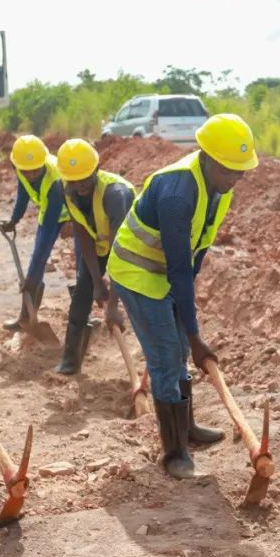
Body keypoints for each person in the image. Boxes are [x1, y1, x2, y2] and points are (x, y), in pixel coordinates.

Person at [107, 113, 256, 479]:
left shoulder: (218, 188)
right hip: (138, 275)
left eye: (241, 171)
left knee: (181, 354)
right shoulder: (177, 194)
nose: (236, 178)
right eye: (230, 169)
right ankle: (174, 453)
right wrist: (194, 333)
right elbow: (177, 269)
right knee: (165, 357)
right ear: (207, 157)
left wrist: (188, 325)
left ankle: (186, 429)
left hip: (167, 272)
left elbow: (197, 250)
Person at [54, 139, 135, 375]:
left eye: (85, 178)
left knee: (141, 302)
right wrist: (97, 283)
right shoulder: (66, 189)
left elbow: (121, 252)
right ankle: (70, 359)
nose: (79, 184)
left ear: (96, 169)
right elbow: (83, 235)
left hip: (135, 252)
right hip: (99, 247)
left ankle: (159, 362)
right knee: (82, 295)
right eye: (73, 180)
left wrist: (113, 305)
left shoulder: (115, 194)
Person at [0, 135, 72, 330]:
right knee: (35, 265)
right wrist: (14, 220)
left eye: (35, 170)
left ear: (42, 163)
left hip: (74, 212)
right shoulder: (22, 167)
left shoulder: (55, 179)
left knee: (81, 264)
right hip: (49, 210)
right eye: (25, 171)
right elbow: (23, 194)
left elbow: (49, 226)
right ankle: (26, 318)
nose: (30, 175)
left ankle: (82, 320)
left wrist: (30, 278)